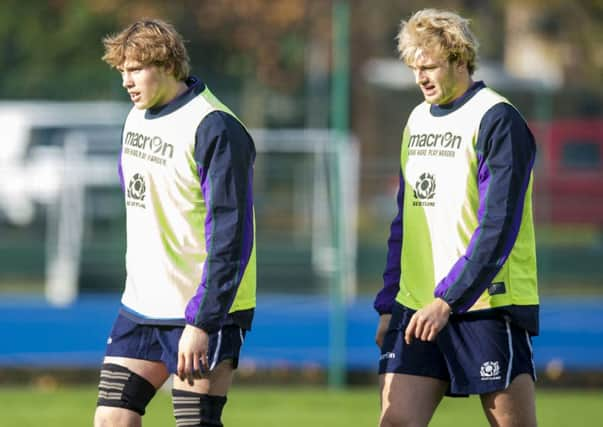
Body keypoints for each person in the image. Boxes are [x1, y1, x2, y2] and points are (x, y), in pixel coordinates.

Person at [373, 9, 539, 427]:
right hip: (417, 306)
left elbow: (498, 227)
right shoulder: (416, 120)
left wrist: (450, 299)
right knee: (395, 422)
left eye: (428, 67)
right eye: (414, 69)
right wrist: (390, 302)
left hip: (485, 303)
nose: (420, 78)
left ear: (459, 59)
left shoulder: (497, 119)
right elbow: (405, 221)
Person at [94, 19, 257, 427]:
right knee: (111, 420)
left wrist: (202, 322)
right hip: (141, 307)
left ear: (167, 65)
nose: (126, 82)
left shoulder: (214, 127)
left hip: (201, 310)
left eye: (136, 69)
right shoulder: (136, 118)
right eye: (122, 71)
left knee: (193, 424)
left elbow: (231, 236)